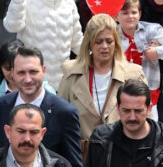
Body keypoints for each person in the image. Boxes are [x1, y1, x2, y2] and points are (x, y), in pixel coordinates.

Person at [0, 45, 84, 167]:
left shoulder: (64, 113)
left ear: (43, 71)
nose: (27, 79)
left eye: (33, 72)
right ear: (12, 74)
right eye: (21, 73)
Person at [57, 14, 145, 146]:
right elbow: (60, 116)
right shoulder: (71, 74)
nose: (104, 46)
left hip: (123, 152)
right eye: (98, 41)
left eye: (109, 41)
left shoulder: (134, 74)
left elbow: (145, 118)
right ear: (89, 43)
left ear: (116, 43)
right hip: (83, 156)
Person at [116, 0, 163, 123]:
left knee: (150, 129)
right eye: (125, 13)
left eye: (134, 12)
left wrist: (157, 51)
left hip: (149, 92)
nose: (130, 16)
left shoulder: (151, 29)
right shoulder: (112, 34)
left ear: (140, 14)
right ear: (116, 16)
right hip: (120, 93)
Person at [1, 0, 81, 90]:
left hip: (62, 84)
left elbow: (77, 42)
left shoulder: (69, 3)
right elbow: (12, 26)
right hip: (32, 84)